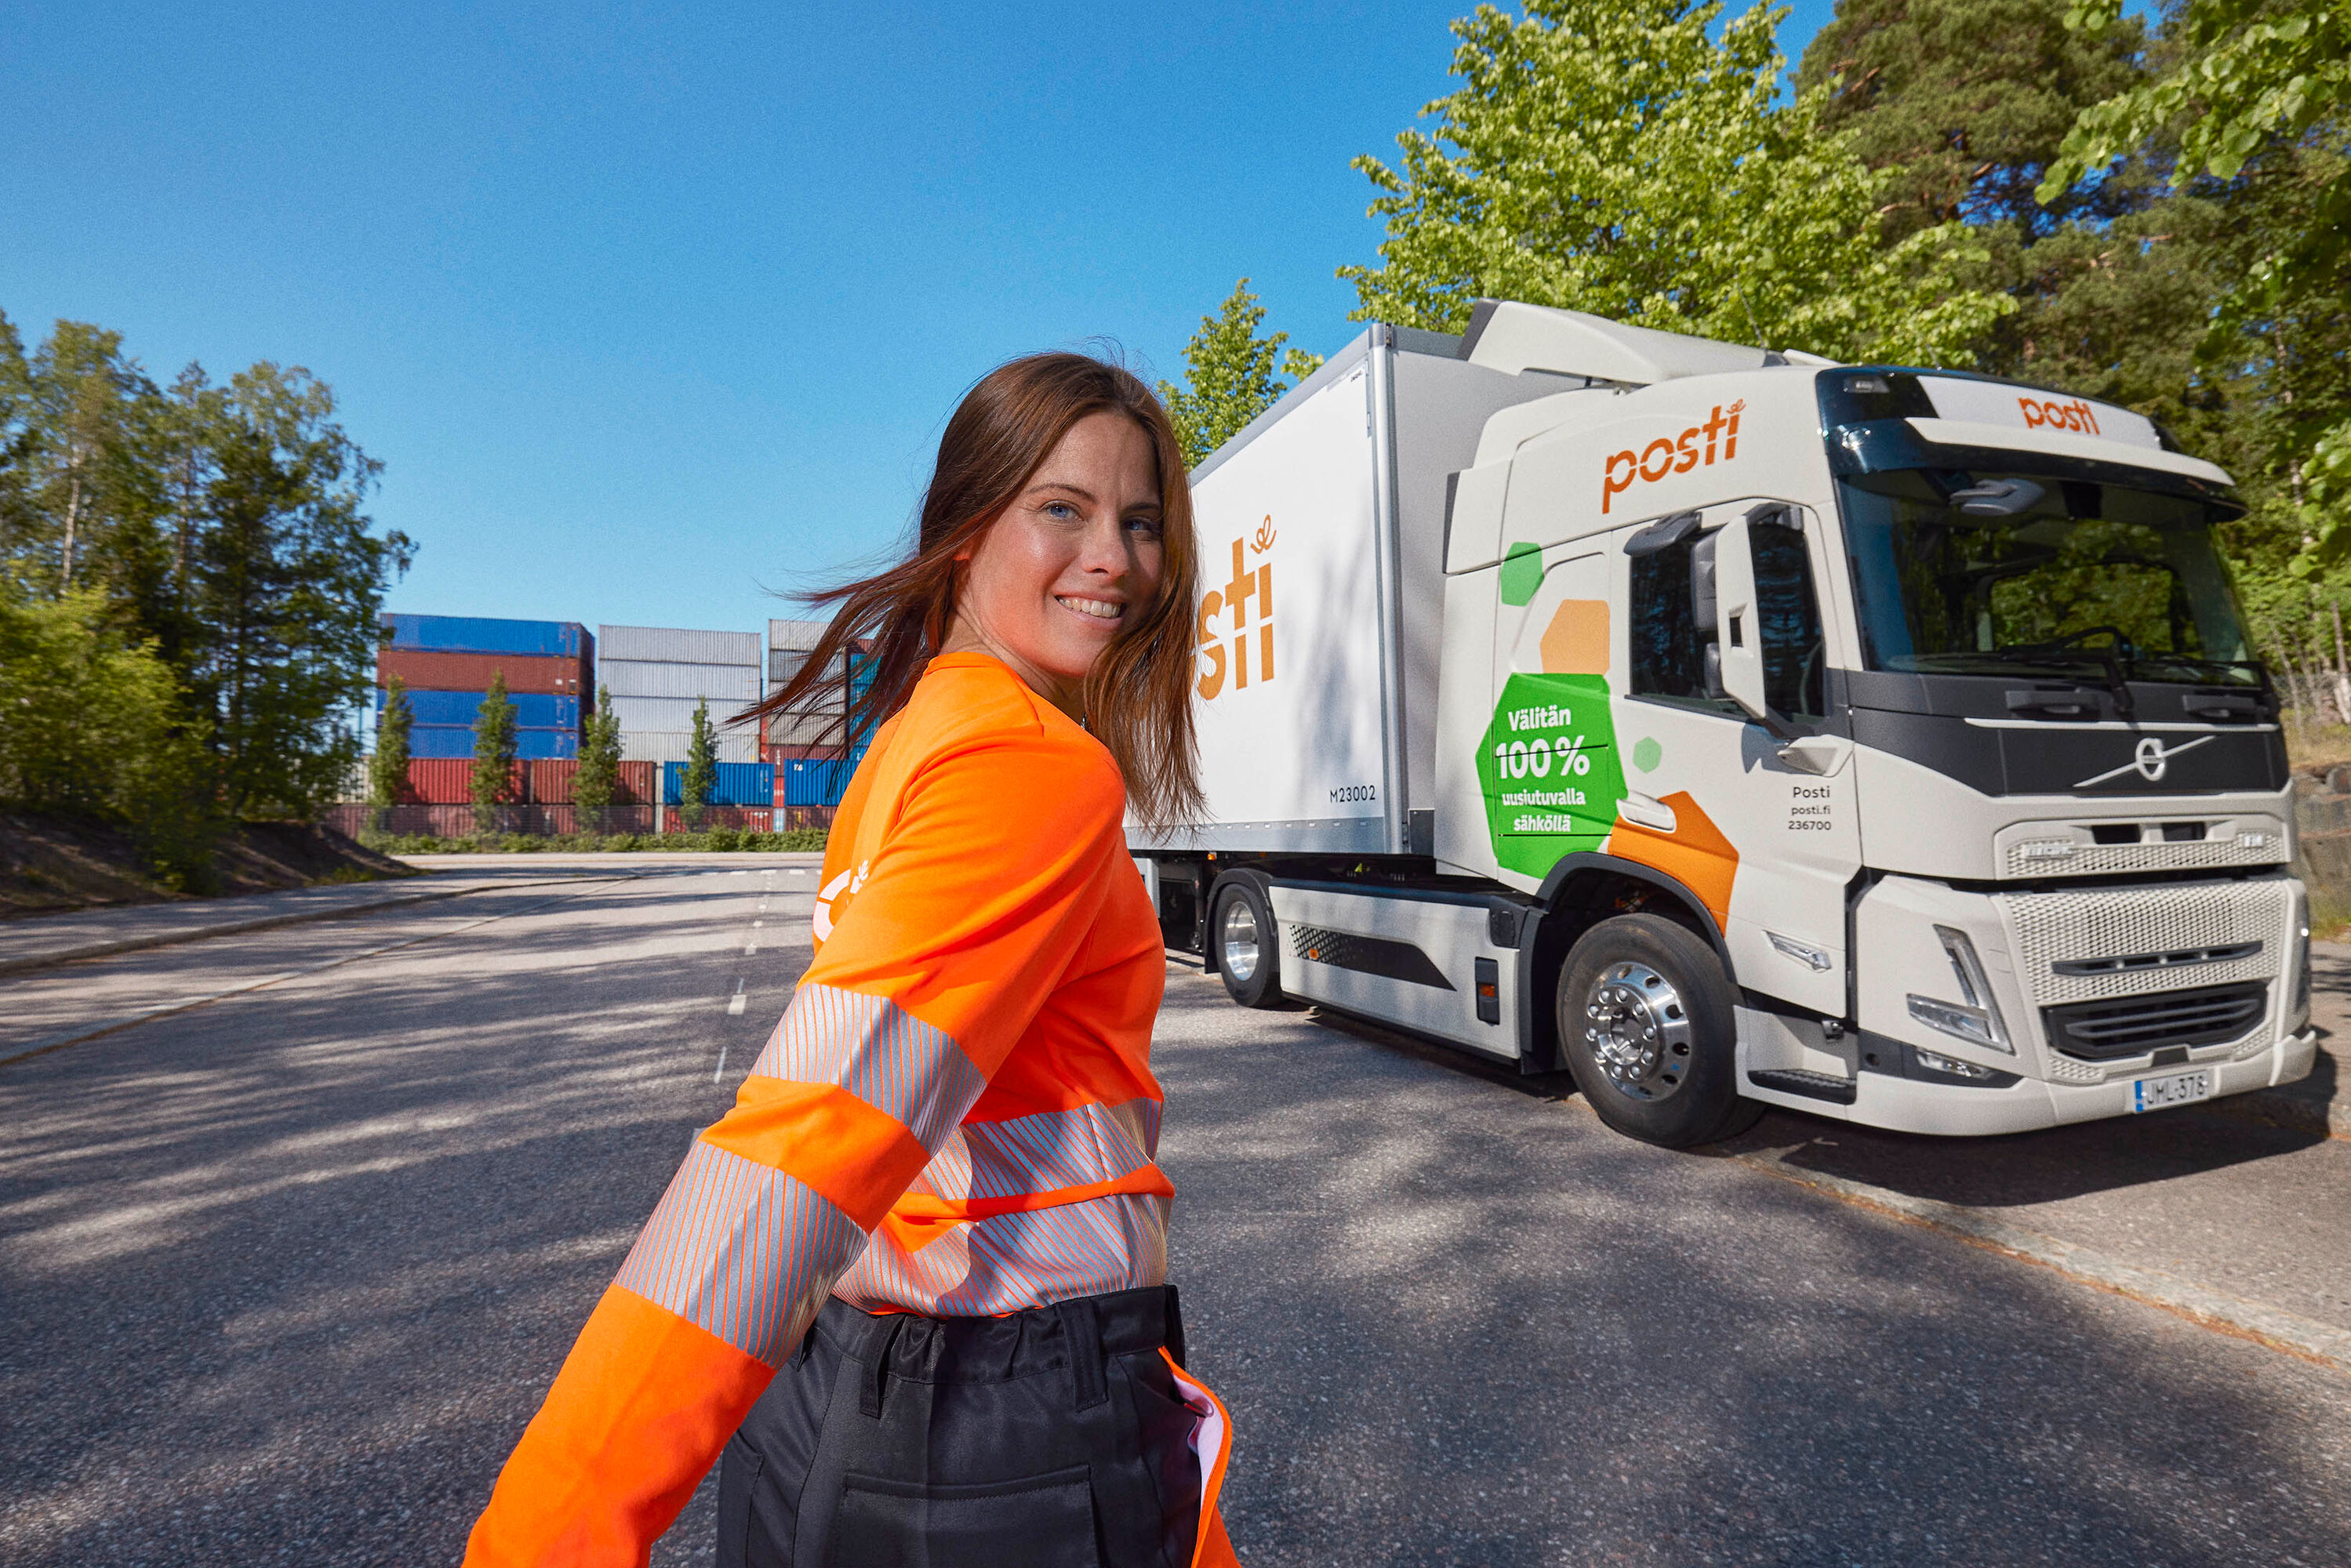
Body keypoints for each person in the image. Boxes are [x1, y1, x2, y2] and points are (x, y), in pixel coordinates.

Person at [463, 351, 1237, 1568]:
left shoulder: (909, 745)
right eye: (1063, 509)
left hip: (851, 1386)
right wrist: (549, 1534)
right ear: (963, 527)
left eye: (1140, 524)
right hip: (1000, 1433)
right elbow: (808, 1141)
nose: (1117, 560)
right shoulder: (1028, 764)